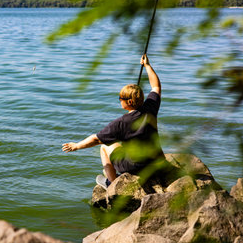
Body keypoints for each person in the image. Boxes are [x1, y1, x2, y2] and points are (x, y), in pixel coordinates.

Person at [62, 54, 166, 188]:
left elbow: (96, 139)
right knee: (120, 145)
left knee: (104, 147)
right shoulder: (150, 107)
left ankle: (111, 183)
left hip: (137, 167)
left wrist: (76, 146)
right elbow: (156, 86)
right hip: (156, 161)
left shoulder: (121, 122)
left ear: (128, 102)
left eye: (120, 98)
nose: (119, 100)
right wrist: (147, 66)